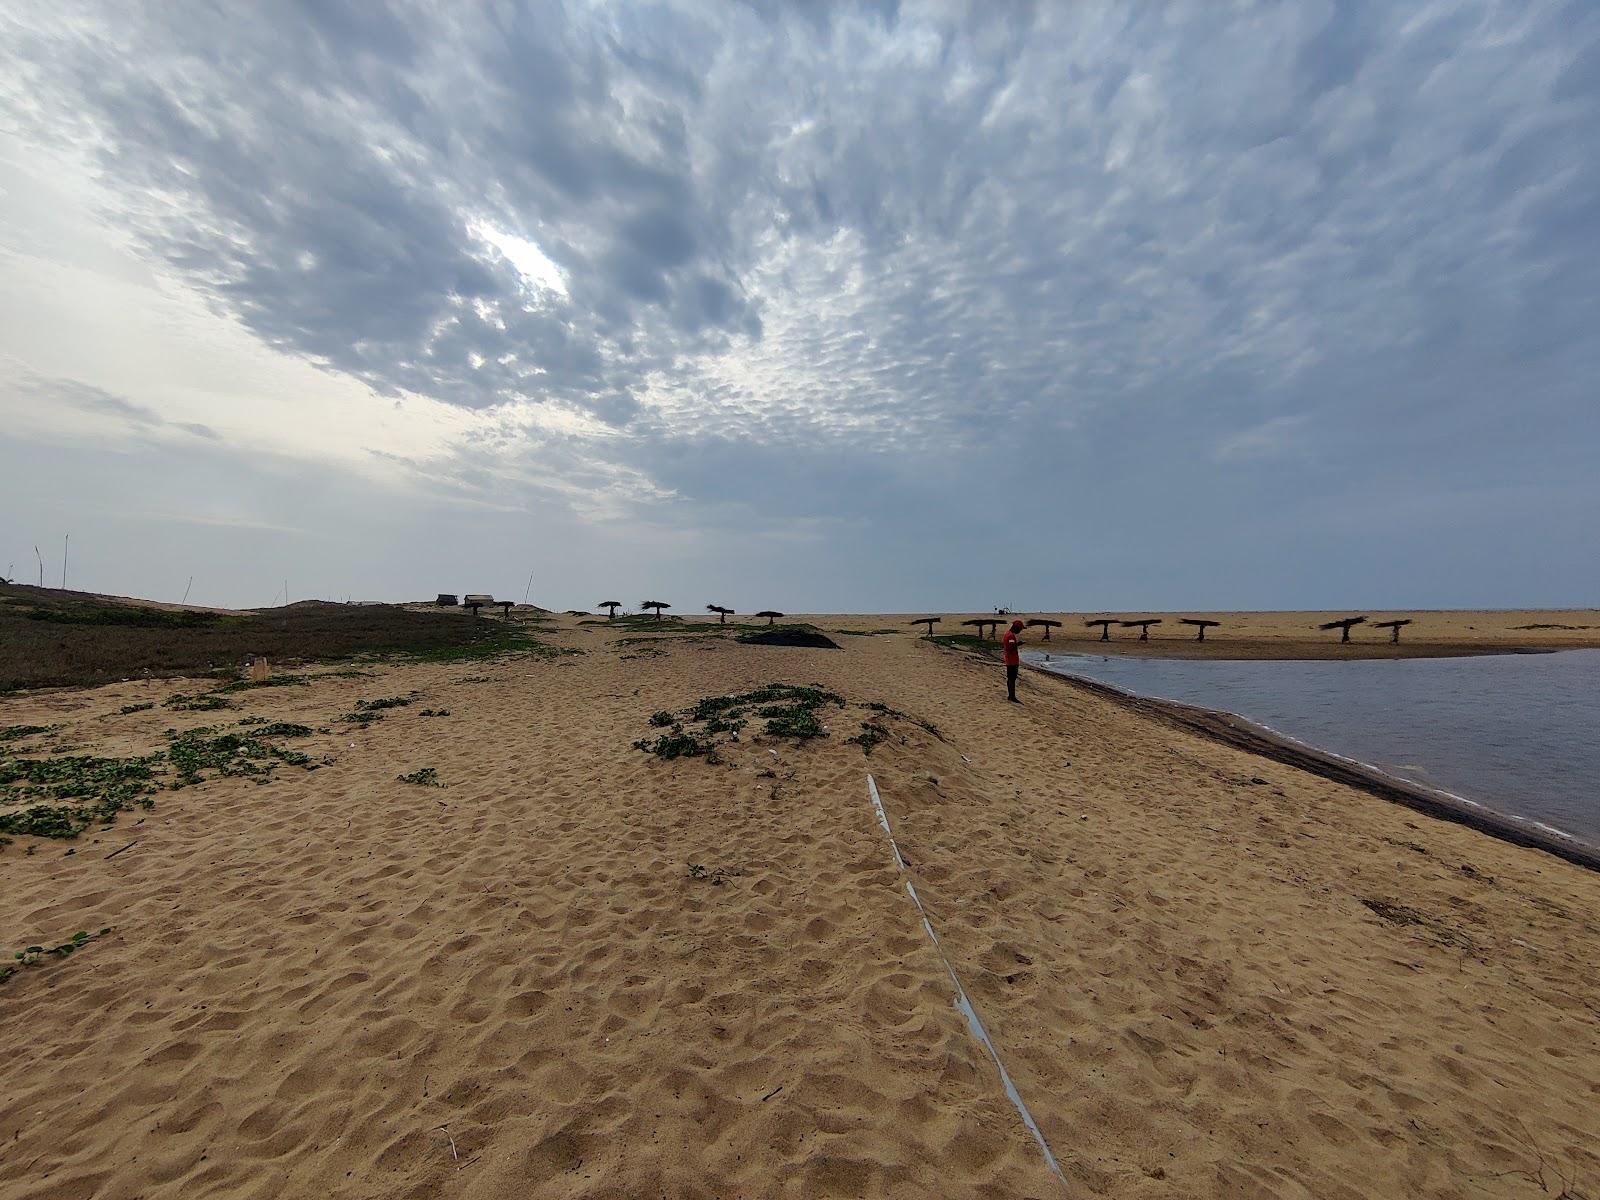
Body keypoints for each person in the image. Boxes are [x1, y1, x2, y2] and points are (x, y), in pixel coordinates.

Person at [1001, 618, 1024, 702]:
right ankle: (1012, 696)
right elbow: (1011, 647)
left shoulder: (1007, 633)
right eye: (1020, 629)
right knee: (1012, 679)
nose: (1020, 631)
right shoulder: (1011, 636)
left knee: (1010, 678)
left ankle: (1010, 695)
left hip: (1009, 660)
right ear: (1016, 628)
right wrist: (1018, 644)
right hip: (1012, 661)